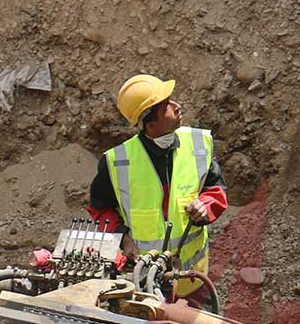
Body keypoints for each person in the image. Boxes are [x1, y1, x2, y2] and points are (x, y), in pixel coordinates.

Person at [87, 74, 228, 297]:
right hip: (145, 284)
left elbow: (216, 188)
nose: (177, 106)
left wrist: (205, 205)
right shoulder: (117, 162)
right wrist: (124, 239)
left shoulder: (198, 145)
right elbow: (101, 209)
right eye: (167, 106)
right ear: (151, 124)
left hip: (192, 280)